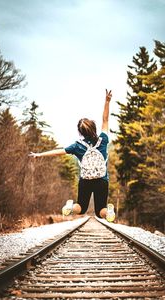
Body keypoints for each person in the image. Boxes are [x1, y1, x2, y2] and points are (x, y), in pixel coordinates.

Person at [29, 89, 115, 222]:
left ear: (81, 132)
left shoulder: (77, 146)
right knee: (99, 211)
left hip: (85, 180)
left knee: (81, 207)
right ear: (94, 128)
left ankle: (69, 207)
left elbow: (58, 151)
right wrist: (107, 101)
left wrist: (39, 154)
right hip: (102, 180)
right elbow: (105, 119)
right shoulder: (103, 139)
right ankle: (108, 211)